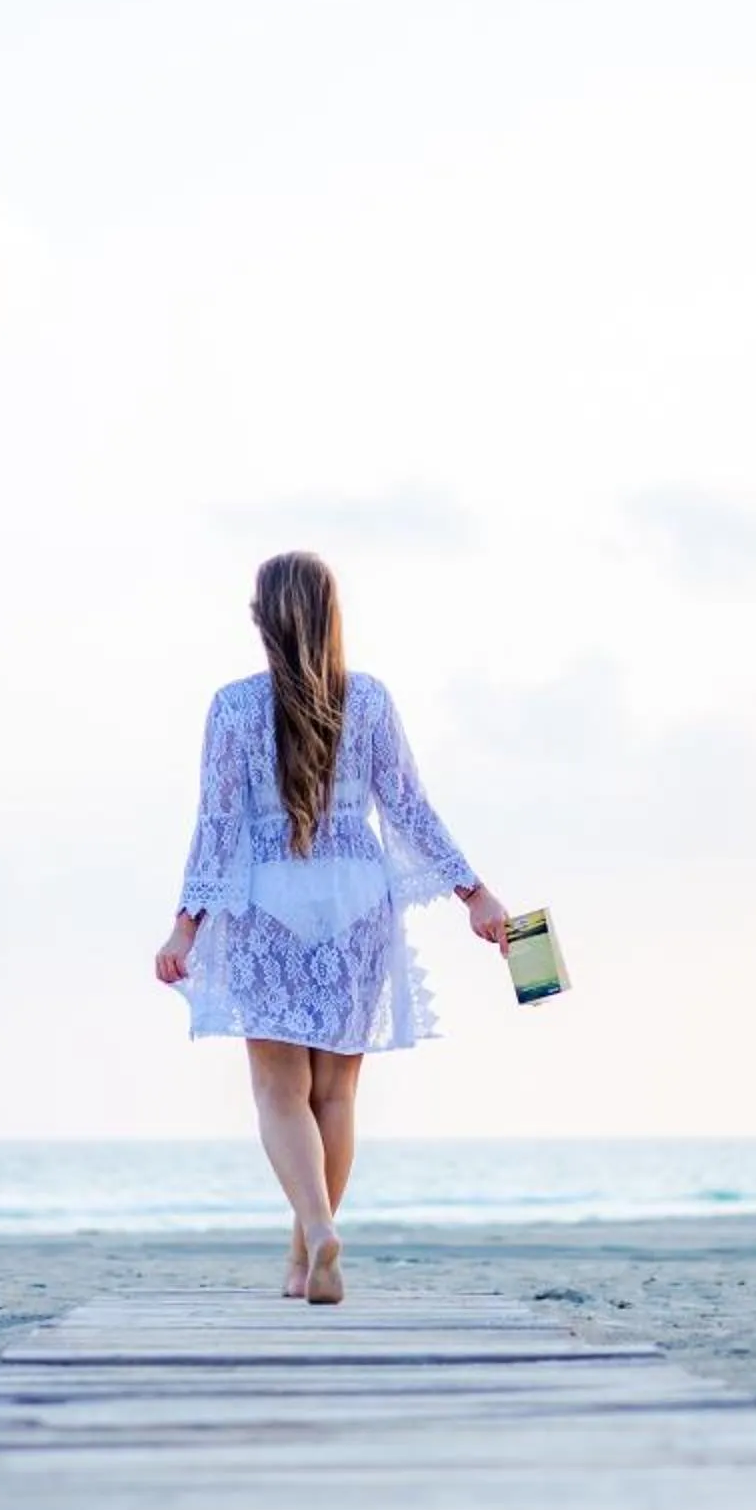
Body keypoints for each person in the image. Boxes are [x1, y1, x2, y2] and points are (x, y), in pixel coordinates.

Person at [155, 551, 510, 1304]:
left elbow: (217, 827)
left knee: (279, 1092)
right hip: (356, 896)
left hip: (269, 899)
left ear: (260, 619)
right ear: (332, 614)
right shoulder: (372, 701)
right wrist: (475, 894)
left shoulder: (232, 707)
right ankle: (306, 1251)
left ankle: (313, 1238)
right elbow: (410, 808)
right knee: (336, 1096)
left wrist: (185, 927)